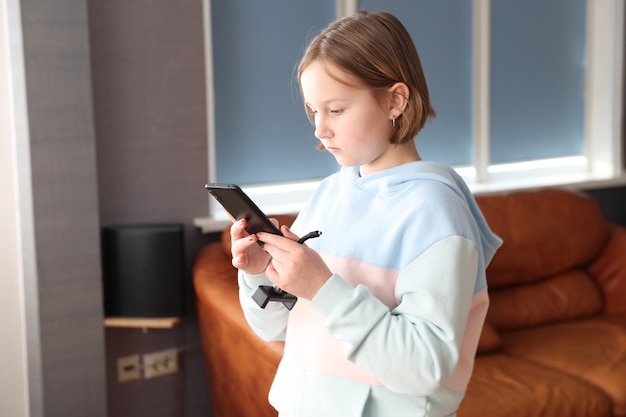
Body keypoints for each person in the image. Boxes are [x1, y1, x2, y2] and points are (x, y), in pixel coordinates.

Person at [230, 10, 502, 417]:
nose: (320, 129)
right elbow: (273, 329)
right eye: (312, 112)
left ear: (395, 100)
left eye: (336, 110)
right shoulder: (329, 194)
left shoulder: (436, 213)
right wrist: (258, 273)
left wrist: (323, 288)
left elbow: (424, 369)